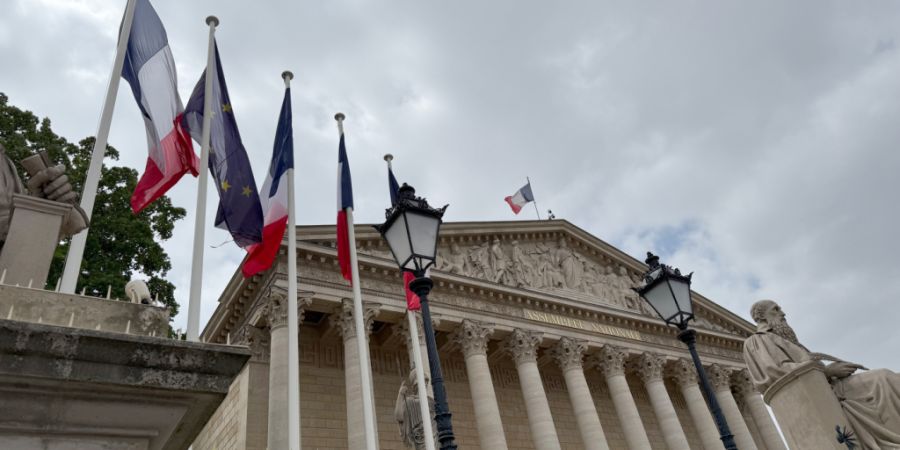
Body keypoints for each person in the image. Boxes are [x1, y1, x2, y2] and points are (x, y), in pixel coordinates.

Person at [743, 299, 900, 448]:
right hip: (815, 393)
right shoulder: (757, 341)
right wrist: (827, 371)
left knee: (892, 379)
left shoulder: (784, 340)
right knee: (882, 379)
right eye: (776, 309)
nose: (783, 313)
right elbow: (775, 372)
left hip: (828, 385)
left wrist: (833, 371)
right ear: (761, 316)